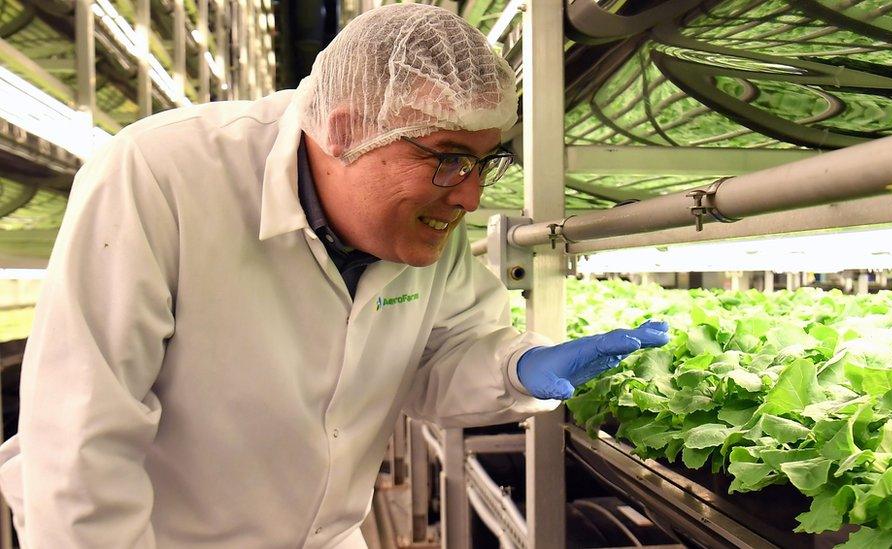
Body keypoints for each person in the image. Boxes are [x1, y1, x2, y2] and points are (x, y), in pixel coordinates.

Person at [0, 4, 668, 548]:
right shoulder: (159, 178)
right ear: (346, 131)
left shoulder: (422, 221)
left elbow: (439, 356)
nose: (467, 198)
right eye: (447, 158)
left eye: (484, 161)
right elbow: (81, 445)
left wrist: (514, 367)